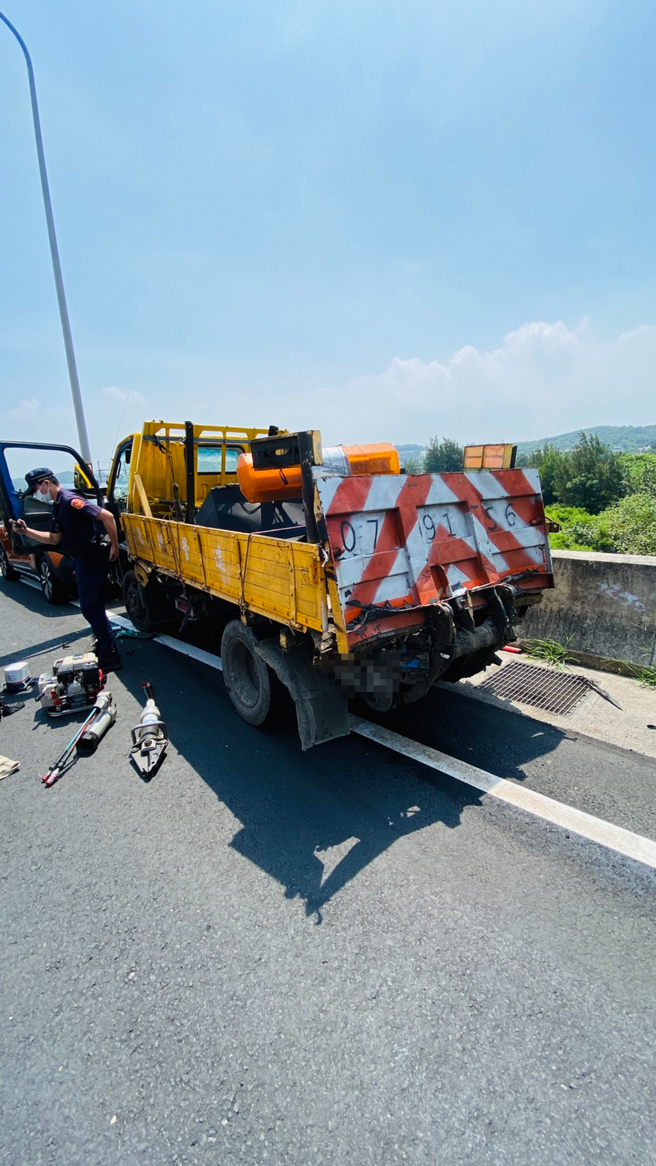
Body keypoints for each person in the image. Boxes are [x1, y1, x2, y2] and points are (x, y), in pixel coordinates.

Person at [10, 467, 122, 672]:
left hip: (91, 559)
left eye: (36, 488)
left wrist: (114, 545)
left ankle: (110, 656)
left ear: (46, 483)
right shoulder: (57, 507)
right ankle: (105, 647)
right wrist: (26, 531)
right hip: (80, 560)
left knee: (92, 608)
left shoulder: (71, 501)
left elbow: (106, 516)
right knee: (90, 609)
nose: (36, 493)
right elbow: (53, 539)